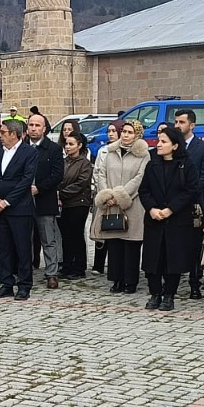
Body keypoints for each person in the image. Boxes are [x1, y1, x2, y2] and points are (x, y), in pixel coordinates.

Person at [139, 126, 198, 311]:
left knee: (173, 260)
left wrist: (171, 209)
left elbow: (191, 190)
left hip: (177, 220)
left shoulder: (186, 164)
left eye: (164, 142)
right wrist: (151, 208)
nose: (159, 144)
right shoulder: (152, 164)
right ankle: (155, 293)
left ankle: (169, 295)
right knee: (152, 260)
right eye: (158, 141)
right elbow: (144, 190)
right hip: (154, 219)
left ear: (174, 145)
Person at [90, 119, 148, 294]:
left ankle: (130, 281)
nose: (126, 135)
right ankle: (116, 280)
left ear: (137, 135)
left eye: (130, 132)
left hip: (132, 205)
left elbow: (139, 178)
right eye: (124, 132)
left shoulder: (144, 155)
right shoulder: (111, 152)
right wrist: (106, 195)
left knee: (130, 245)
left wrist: (121, 197)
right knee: (114, 244)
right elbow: (101, 174)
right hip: (111, 205)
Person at [0, 117, 37, 300]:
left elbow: (26, 180)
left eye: (3, 132)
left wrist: (7, 201)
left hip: (19, 208)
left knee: (22, 248)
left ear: (14, 134)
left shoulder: (28, 152)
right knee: (4, 247)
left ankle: (24, 285)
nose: (0, 136)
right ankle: (6, 283)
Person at [172, 109, 204, 299]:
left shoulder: (203, 148)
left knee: (195, 246)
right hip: (173, 205)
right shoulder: (172, 147)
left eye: (181, 122)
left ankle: (195, 283)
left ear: (192, 125)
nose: (177, 125)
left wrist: (189, 191)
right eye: (176, 122)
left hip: (195, 204)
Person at [27, 114, 64, 290]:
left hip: (44, 200)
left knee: (48, 239)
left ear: (44, 129)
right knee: (25, 240)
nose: (33, 128)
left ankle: (52, 274)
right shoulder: (22, 148)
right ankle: (25, 272)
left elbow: (57, 175)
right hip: (23, 201)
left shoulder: (54, 149)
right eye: (31, 125)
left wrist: (39, 188)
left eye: (37, 125)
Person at [57, 130, 94, 280]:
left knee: (76, 235)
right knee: (65, 236)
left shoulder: (84, 163)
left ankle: (79, 267)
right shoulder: (64, 161)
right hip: (64, 204)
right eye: (66, 144)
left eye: (71, 144)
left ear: (79, 146)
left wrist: (62, 193)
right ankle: (67, 265)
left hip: (79, 203)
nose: (68, 147)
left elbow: (80, 184)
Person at [92, 121, 122, 274]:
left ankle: (115, 265)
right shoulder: (103, 151)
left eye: (113, 131)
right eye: (109, 131)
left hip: (119, 196)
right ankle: (98, 264)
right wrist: (104, 194)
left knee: (117, 228)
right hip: (103, 196)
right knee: (102, 230)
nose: (110, 134)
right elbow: (98, 174)